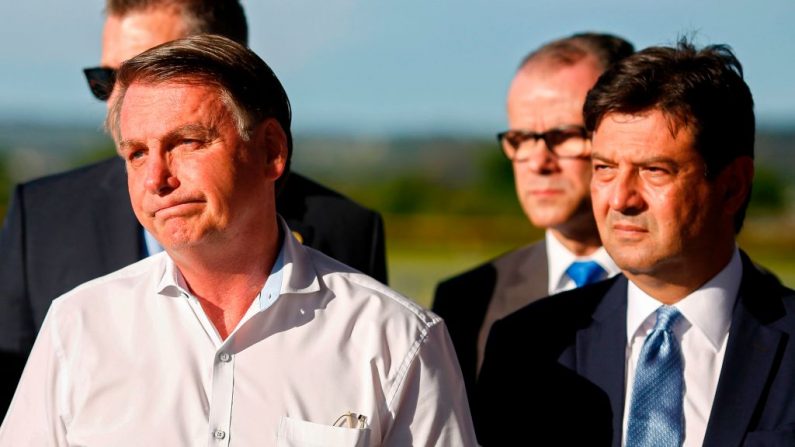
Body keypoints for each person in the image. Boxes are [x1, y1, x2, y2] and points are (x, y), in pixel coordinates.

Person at [0, 34, 476, 445]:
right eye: (137, 153)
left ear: (271, 151)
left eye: (186, 141)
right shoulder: (77, 327)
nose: (156, 179)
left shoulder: (395, 338)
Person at [476, 39, 795, 446]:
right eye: (604, 168)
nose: (621, 198)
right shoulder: (527, 348)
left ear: (732, 186)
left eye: (654, 170)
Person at [432, 32, 633, 403]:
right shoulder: (466, 301)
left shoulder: (715, 296)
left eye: (564, 135)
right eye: (522, 139)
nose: (539, 161)